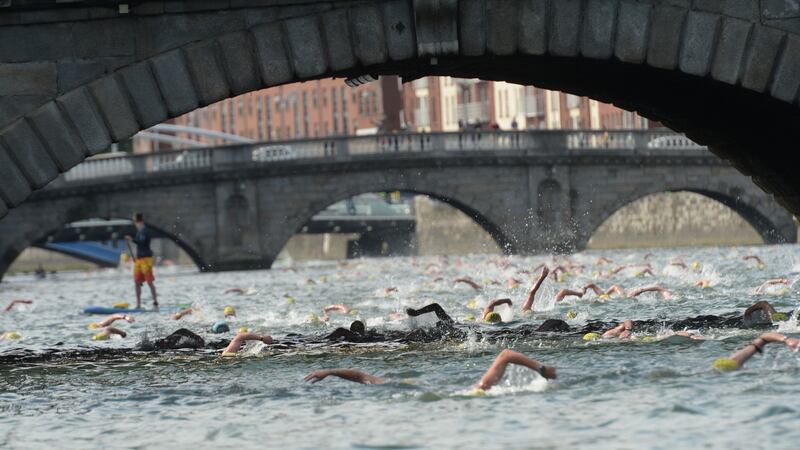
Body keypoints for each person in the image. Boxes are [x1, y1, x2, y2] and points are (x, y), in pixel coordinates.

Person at [304, 349, 556, 391]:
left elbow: (506, 354)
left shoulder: (481, 388)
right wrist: (330, 370)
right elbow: (362, 376)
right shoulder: (480, 389)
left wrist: (543, 370)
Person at [712, 332, 799, 371]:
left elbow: (763, 338)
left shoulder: (734, 362)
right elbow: (763, 338)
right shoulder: (733, 363)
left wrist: (786, 339)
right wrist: (786, 339)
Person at [125, 213, 158, 310]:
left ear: (138, 221)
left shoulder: (144, 230)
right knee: (137, 282)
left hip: (146, 259)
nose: (134, 223)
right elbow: (139, 243)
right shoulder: (139, 231)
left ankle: (155, 303)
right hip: (139, 260)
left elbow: (142, 242)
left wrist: (131, 239)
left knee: (149, 282)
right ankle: (138, 305)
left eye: (134, 221)